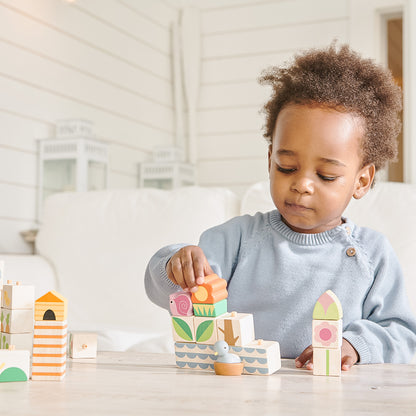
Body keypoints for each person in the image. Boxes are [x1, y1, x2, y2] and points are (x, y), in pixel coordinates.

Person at [145, 44, 416, 370]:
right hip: (239, 389)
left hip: (328, 396)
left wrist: (354, 344)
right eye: (287, 166)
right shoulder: (238, 240)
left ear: (362, 181)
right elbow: (170, 294)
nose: (302, 183)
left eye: (326, 175)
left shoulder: (373, 254)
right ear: (270, 159)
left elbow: (403, 334)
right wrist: (176, 263)